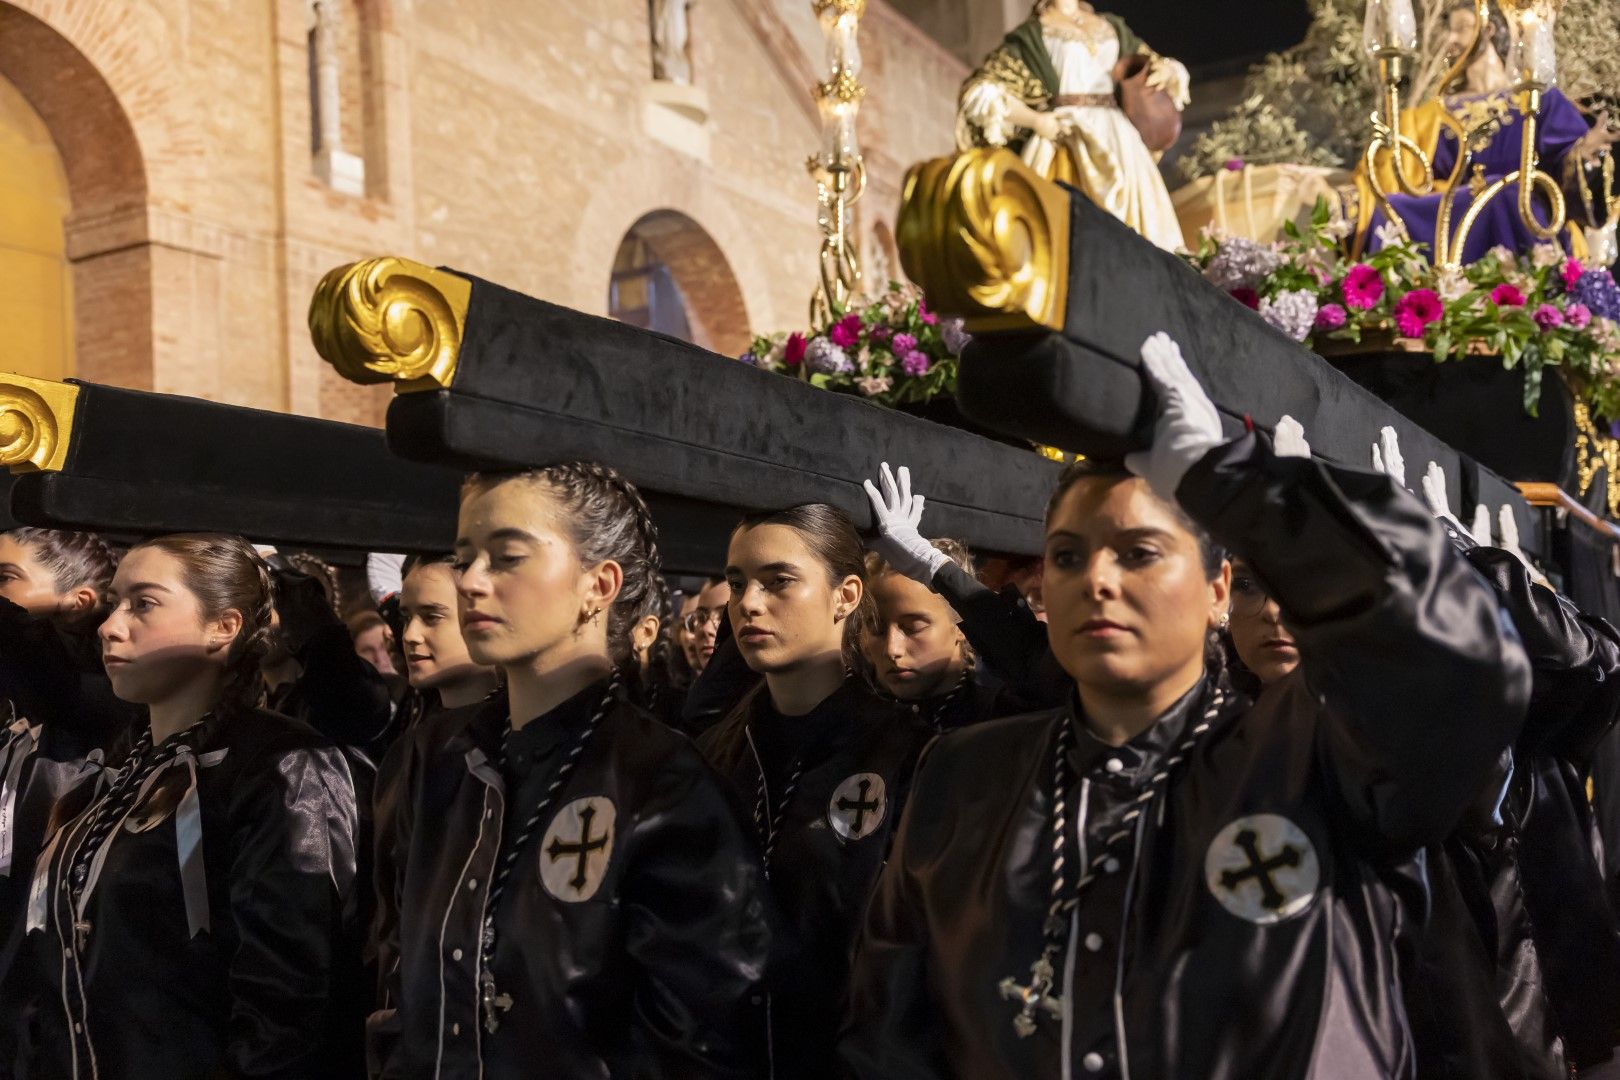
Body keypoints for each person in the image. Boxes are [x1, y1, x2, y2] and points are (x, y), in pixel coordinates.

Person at [841, 333, 1530, 1078]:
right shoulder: (964, 777)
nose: (1096, 580)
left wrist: (1241, 483)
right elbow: (889, 1035)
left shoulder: (1316, 755)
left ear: (1217, 592)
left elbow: (1463, 668)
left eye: (1138, 552)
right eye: (1068, 556)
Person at [373, 461, 772, 1079]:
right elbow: (409, 986)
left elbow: (697, 1044)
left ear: (598, 585)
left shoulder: (664, 784)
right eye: (464, 557)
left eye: (506, 556)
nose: (471, 582)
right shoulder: (440, 759)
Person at [8, 533, 360, 1079]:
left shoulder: (281, 766)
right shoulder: (117, 766)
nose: (109, 625)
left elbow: (290, 1001)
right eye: (116, 601)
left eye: (143, 604)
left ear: (224, 627)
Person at [696, 503, 932, 1080]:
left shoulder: (909, 753)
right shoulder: (712, 756)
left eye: (779, 581)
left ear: (846, 596)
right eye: (736, 584)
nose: (748, 603)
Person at [1353, 0, 1618, 263]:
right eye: (1449, 29)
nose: (1450, 38)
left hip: (1522, 211)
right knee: (1390, 210)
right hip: (1448, 217)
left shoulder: (1538, 100)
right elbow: (1409, 177)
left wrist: (1581, 156)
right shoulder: (1435, 113)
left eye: (1461, 28)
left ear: (1487, 29)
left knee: (1503, 194)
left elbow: (1565, 171)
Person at [957, 0, 1190, 250]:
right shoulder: (1031, 35)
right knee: (1066, 235)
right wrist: (1035, 120)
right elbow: (982, 90)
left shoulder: (1110, 26)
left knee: (1142, 234)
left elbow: (1150, 62)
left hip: (1120, 141)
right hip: (1064, 137)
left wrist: (1166, 71)